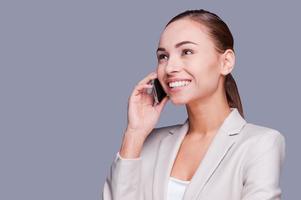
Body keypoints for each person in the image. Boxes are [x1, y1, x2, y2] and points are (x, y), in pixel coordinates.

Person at [102, 9, 286, 200]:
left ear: (226, 62)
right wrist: (134, 133)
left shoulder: (260, 144)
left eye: (187, 52)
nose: (170, 67)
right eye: (163, 56)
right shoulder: (148, 143)